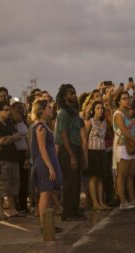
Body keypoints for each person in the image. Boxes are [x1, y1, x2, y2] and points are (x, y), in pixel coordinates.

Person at [54, 84, 88, 221]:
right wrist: (72, 156)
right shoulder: (63, 113)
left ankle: (74, 210)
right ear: (64, 97)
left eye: (74, 93)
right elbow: (64, 135)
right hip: (67, 149)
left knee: (76, 182)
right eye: (70, 93)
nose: (74, 95)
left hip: (76, 147)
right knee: (69, 182)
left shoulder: (74, 112)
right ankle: (67, 212)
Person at [30, 99, 62, 233]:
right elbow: (42, 149)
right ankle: (45, 226)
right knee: (45, 193)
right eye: (48, 107)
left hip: (48, 160)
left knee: (48, 193)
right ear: (42, 110)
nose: (51, 109)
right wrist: (50, 167)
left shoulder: (45, 125)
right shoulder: (40, 127)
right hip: (43, 163)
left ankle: (48, 224)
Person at [112, 92, 135, 210]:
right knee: (122, 175)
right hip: (123, 145)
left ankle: (132, 199)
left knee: (131, 175)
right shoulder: (118, 114)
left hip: (133, 146)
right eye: (124, 98)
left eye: (128, 98)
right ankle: (123, 201)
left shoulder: (130, 113)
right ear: (119, 101)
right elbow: (124, 130)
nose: (127, 100)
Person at [0, 100, 22, 218]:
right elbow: (1, 140)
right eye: (5, 110)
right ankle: (0, 209)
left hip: (13, 156)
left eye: (8, 110)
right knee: (2, 185)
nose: (8, 112)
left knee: (13, 183)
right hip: (3, 158)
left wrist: (10, 138)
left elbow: (18, 135)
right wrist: (12, 138)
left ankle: (12, 208)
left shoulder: (9, 122)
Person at [84, 101, 109, 210]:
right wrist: (85, 155)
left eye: (101, 108)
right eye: (98, 108)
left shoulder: (104, 123)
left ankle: (101, 202)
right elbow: (84, 139)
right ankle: (95, 203)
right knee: (93, 178)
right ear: (93, 110)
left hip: (102, 151)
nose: (100, 110)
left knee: (100, 178)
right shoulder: (90, 122)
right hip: (92, 151)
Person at [11, 101, 30, 213]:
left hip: (24, 152)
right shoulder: (11, 123)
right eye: (18, 108)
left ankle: (23, 205)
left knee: (24, 180)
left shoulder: (25, 122)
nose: (20, 110)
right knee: (16, 180)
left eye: (22, 108)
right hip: (15, 153)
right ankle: (16, 205)